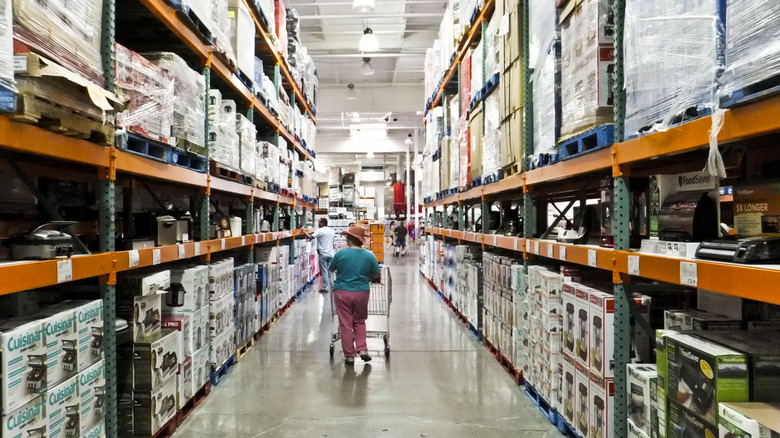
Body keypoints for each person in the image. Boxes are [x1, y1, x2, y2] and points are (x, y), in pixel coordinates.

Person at [328, 225, 381, 365]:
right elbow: (376, 274)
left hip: (342, 292)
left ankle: (349, 355)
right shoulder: (369, 255)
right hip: (361, 292)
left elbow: (331, 268)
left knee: (346, 324)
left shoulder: (340, 254)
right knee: (359, 321)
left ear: (349, 239)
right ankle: (362, 349)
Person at [303, 218, 335, 293]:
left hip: (323, 254)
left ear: (322, 223)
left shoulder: (320, 230)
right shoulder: (331, 231)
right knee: (331, 271)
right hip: (331, 253)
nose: (318, 223)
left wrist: (304, 232)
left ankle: (325, 287)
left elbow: (310, 237)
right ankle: (334, 286)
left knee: (324, 271)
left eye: (319, 222)